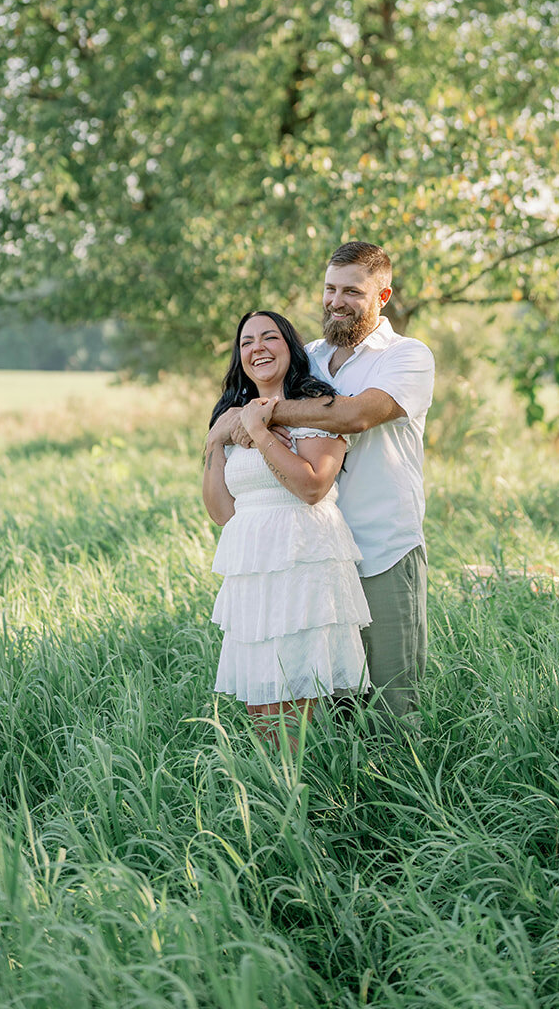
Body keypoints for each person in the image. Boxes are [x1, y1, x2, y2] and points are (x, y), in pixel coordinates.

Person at [209, 243, 434, 718]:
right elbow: (258, 382)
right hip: (310, 554)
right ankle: (336, 792)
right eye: (330, 288)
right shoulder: (307, 358)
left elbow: (352, 416)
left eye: (352, 290)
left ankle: (409, 790)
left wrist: (253, 417)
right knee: (331, 700)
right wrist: (227, 428)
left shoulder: (407, 357)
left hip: (381, 547)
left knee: (394, 701)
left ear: (383, 295)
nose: (336, 300)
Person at [203, 309, 371, 744]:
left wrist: (260, 433)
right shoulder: (232, 414)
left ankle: (308, 796)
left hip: (303, 556)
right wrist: (216, 439)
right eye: (246, 342)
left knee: (296, 694)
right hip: (254, 565)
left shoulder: (316, 405)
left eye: (269, 337)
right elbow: (223, 512)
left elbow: (313, 488)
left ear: (290, 347)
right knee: (261, 700)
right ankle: (272, 792)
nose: (257, 348)